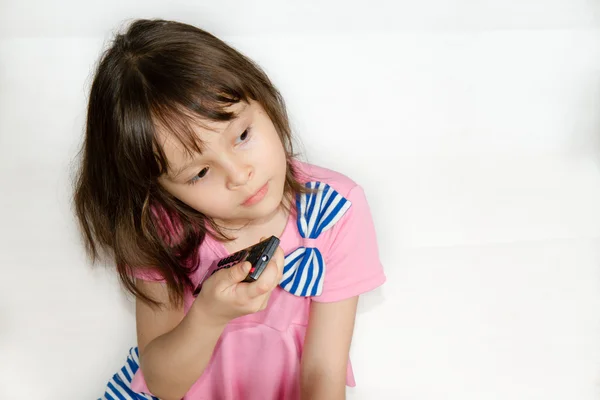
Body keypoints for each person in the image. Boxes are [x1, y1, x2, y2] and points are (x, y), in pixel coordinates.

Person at [73, 18, 386, 400]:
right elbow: (163, 384)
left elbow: (323, 372)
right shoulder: (161, 228)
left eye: (242, 135)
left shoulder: (335, 212)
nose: (240, 175)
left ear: (263, 98)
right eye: (201, 172)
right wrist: (208, 315)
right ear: (157, 189)